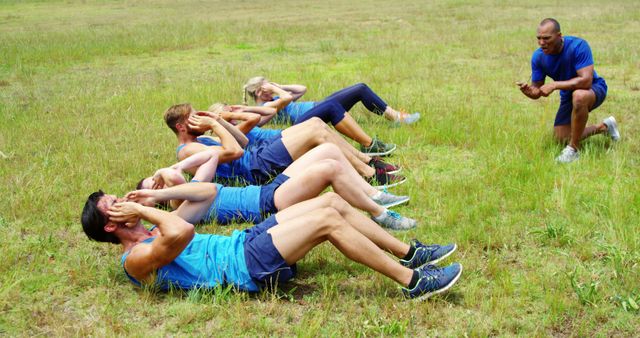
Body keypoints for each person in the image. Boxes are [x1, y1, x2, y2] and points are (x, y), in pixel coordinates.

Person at [81, 188, 462, 300]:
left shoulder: (150, 228)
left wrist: (149, 202)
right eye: (114, 206)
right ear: (111, 227)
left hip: (243, 242)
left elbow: (205, 193)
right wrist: (147, 213)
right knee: (327, 221)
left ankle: (410, 253)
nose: (122, 203)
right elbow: (180, 234)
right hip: (243, 267)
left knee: (329, 201)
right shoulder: (134, 260)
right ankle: (413, 282)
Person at [139, 146, 416, 230]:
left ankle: (376, 195)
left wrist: (173, 168)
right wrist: (163, 175)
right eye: (151, 186)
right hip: (267, 204)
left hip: (267, 189)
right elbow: (174, 181)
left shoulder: (195, 188)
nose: (156, 182)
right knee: (328, 169)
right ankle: (380, 214)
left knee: (327, 150)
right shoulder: (179, 205)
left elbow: (211, 155)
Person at [166, 103, 405, 187]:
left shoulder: (200, 140)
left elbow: (243, 141)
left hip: (258, 156)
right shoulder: (187, 150)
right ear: (181, 127)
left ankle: (368, 163)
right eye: (193, 117)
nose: (199, 118)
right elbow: (235, 152)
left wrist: (217, 120)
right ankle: (370, 174)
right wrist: (214, 125)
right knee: (315, 131)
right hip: (255, 169)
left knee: (316, 123)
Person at [516, 18, 620, 163]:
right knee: (560, 137)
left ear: (559, 36)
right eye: (538, 38)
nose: (541, 43)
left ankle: (573, 150)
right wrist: (531, 93)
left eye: (546, 38)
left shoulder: (578, 46)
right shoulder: (538, 57)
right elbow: (537, 89)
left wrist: (555, 85)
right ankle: (604, 127)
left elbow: (586, 81)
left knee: (579, 96)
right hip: (568, 95)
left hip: (594, 88)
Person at [207, 102, 401, 174]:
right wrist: (227, 118)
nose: (231, 111)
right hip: (275, 146)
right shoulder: (234, 131)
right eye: (227, 110)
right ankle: (367, 164)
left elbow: (268, 110)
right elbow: (255, 118)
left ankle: (366, 159)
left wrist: (241, 107)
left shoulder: (234, 129)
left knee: (320, 121)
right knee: (328, 112)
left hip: (284, 137)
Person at [243, 80, 406, 155]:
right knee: (359, 89)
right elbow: (287, 98)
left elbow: (302, 89)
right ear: (259, 92)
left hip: (317, 106)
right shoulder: (263, 108)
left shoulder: (274, 99)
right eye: (266, 85)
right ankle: (393, 120)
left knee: (360, 88)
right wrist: (276, 89)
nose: (270, 87)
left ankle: (394, 118)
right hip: (309, 118)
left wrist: (278, 86)